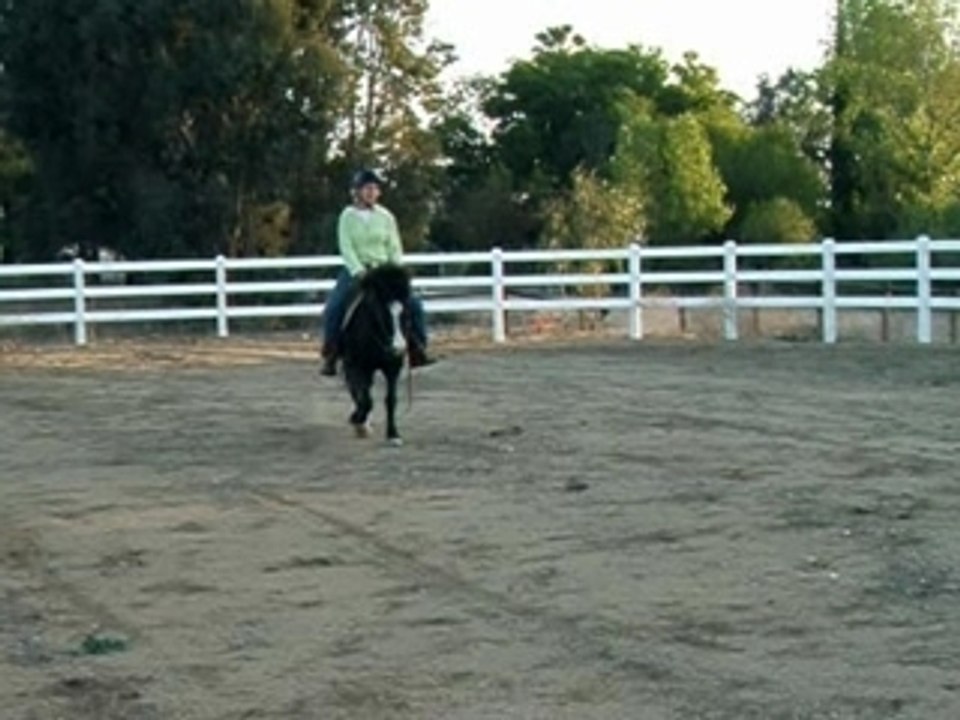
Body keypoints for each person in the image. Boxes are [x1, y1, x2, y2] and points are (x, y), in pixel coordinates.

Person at [320, 169, 436, 377]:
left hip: (383, 270)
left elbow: (394, 247)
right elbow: (346, 247)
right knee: (334, 307)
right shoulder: (347, 217)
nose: (372, 192)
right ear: (357, 192)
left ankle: (417, 348)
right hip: (358, 270)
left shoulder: (386, 217)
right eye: (367, 188)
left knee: (414, 304)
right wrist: (358, 271)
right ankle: (331, 353)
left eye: (374, 188)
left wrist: (395, 271)